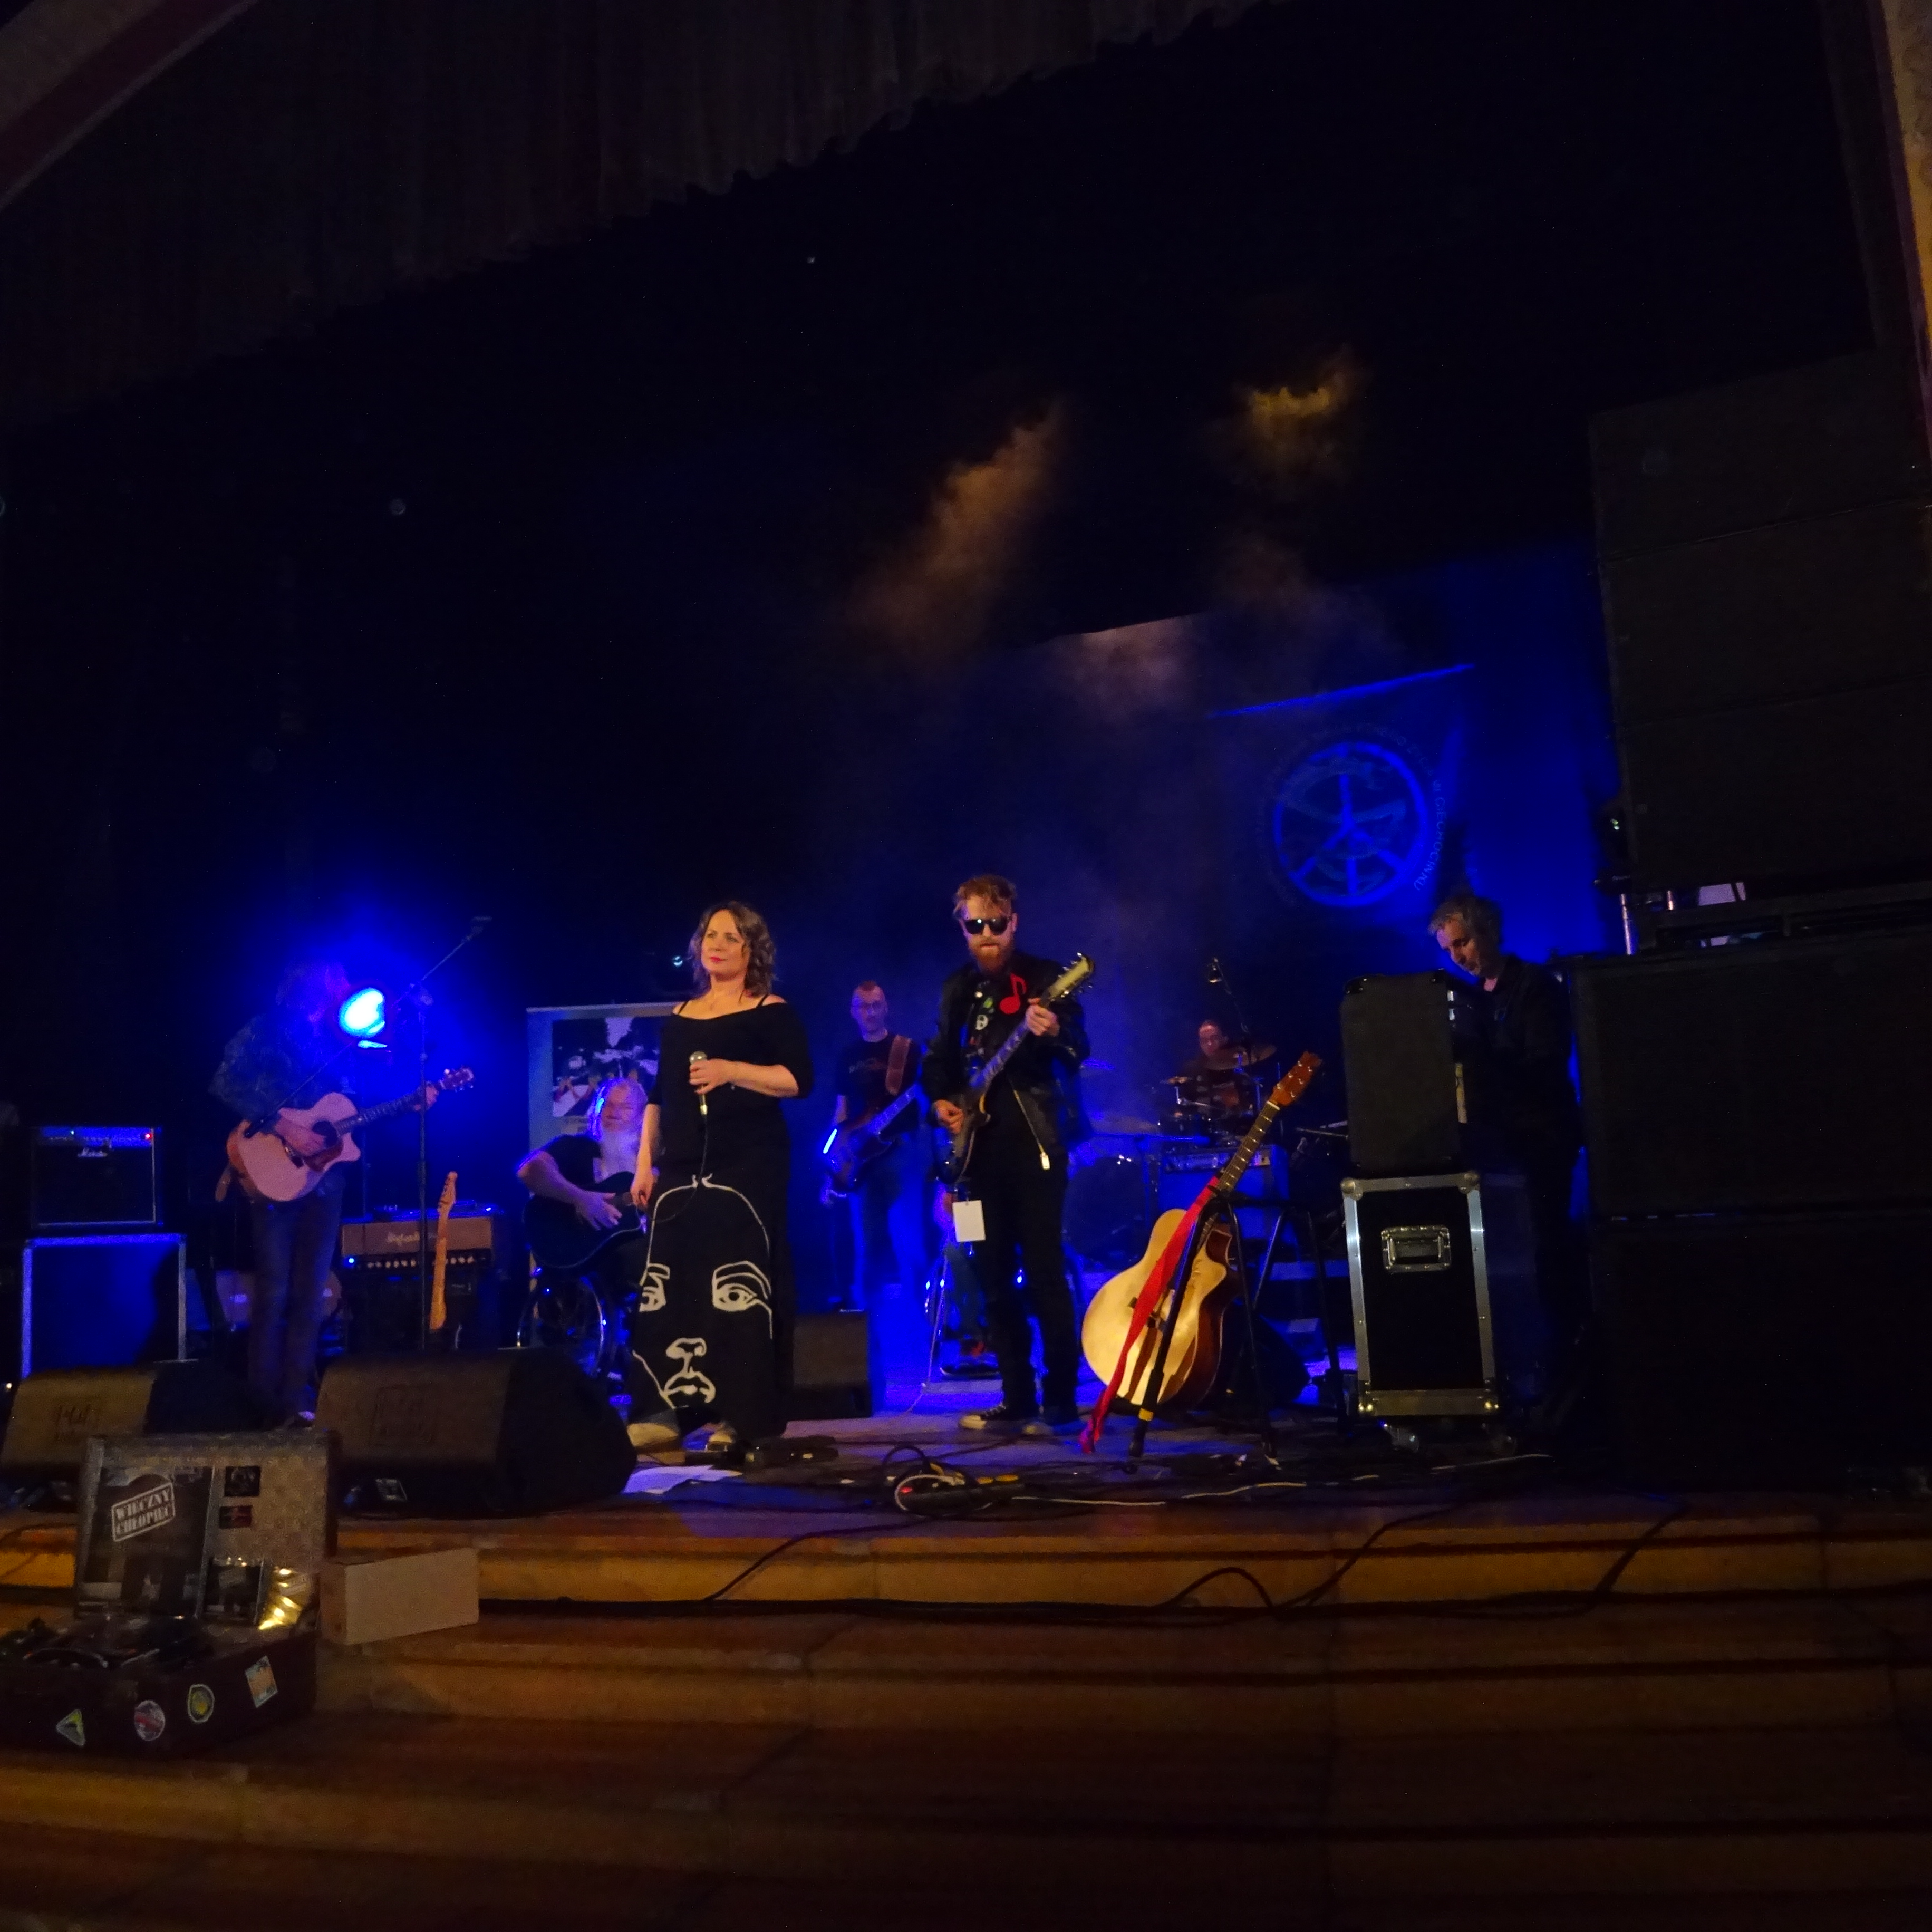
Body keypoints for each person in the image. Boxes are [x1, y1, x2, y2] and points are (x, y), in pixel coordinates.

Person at [211, 957, 435, 1422]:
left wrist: (410, 1102)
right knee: (274, 1291)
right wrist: (286, 1128)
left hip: (326, 1179)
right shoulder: (267, 1029)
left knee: (311, 1293)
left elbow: (351, 1112)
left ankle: (295, 1401)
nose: (347, 986)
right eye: (338, 981)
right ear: (314, 986)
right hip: (273, 1166)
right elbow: (226, 1081)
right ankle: (259, 1404)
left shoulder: (343, 1041)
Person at [626, 902, 813, 1457]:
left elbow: (797, 1080)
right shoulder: (681, 1016)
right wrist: (644, 1162)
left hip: (748, 1165)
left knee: (738, 1288)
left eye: (732, 937)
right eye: (711, 935)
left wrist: (731, 1070)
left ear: (751, 949)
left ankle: (742, 1413)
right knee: (671, 1282)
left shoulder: (770, 1011)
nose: (718, 944)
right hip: (682, 1166)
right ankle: (665, 1410)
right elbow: (659, 1096)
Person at [923, 874, 1089, 1436]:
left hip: (1034, 1148)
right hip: (973, 1160)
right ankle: (1016, 1396)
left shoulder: (1044, 978)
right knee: (988, 1275)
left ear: (1013, 923)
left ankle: (1060, 1398)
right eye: (976, 924)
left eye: (996, 923)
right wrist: (941, 1103)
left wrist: (1053, 1029)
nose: (987, 934)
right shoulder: (956, 989)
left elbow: (1078, 1049)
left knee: (1043, 1272)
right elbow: (937, 1062)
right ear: (962, 928)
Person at [1429, 890, 1585, 1351]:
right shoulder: (1473, 1000)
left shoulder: (1535, 986)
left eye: (1463, 943)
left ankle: (1568, 1344)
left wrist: (1481, 1063)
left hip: (1542, 1136)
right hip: (1498, 1143)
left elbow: (1547, 1061)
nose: (1458, 958)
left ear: (1489, 932)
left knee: (1545, 1243)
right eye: (1450, 950)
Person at [823, 981, 926, 1311]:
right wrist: (832, 1166)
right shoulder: (847, 1056)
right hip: (860, 1160)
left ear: (886, 1008)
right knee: (867, 1244)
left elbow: (926, 1094)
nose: (869, 1012)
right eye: (862, 1006)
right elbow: (841, 1114)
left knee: (908, 1239)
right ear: (853, 1012)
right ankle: (867, 1325)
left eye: (875, 1005)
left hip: (901, 1153)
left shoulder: (906, 1049)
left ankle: (922, 1320)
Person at [517, 1074, 648, 1301]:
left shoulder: (651, 1162)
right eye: (607, 1104)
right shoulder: (575, 1146)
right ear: (597, 1110)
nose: (614, 1112)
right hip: (587, 1261)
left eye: (626, 1107)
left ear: (641, 1117)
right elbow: (529, 1170)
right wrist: (581, 1199)